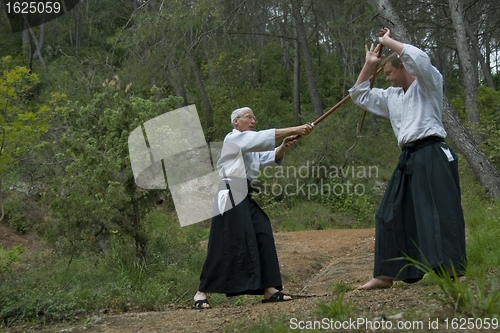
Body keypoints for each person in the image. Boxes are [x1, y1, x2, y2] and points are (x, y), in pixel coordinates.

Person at [348, 28, 467, 290]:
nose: (386, 78)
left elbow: (420, 59)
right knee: (388, 213)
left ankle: (453, 272)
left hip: (433, 152)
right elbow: (359, 95)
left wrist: (388, 41)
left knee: (440, 211)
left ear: (403, 67)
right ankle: (386, 274)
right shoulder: (392, 96)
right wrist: (370, 65)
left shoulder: (429, 84)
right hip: (409, 157)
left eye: (389, 73)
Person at [192, 107, 314, 309]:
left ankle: (269, 289)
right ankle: (200, 292)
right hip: (229, 192)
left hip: (243, 192)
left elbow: (267, 158)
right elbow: (261, 138)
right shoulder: (233, 139)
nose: (253, 121)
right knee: (224, 242)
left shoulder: (248, 143)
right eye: (249, 117)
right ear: (236, 122)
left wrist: (284, 145)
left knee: (262, 230)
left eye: (254, 118)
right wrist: (298, 128)